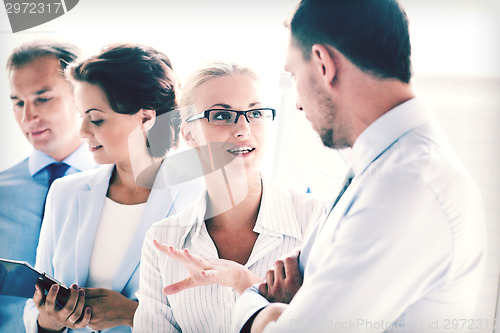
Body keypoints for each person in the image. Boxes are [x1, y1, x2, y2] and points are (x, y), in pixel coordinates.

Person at [232, 0, 486, 332]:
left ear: (323, 64)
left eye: (294, 75)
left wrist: (251, 305)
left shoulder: (407, 185)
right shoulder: (383, 167)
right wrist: (294, 306)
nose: (296, 102)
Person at [132, 62, 327, 332]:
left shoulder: (319, 219)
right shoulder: (164, 239)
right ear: (188, 134)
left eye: (255, 112)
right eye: (222, 116)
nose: (244, 129)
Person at [23, 43, 203, 333]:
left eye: (95, 119)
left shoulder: (198, 201)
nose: (82, 131)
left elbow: (213, 318)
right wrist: (48, 320)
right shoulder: (65, 193)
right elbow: (35, 306)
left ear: (146, 118)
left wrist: (132, 314)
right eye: (81, 116)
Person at [0, 40, 97, 333]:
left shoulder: (124, 186)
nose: (27, 118)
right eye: (18, 102)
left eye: (42, 99)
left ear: (80, 97)